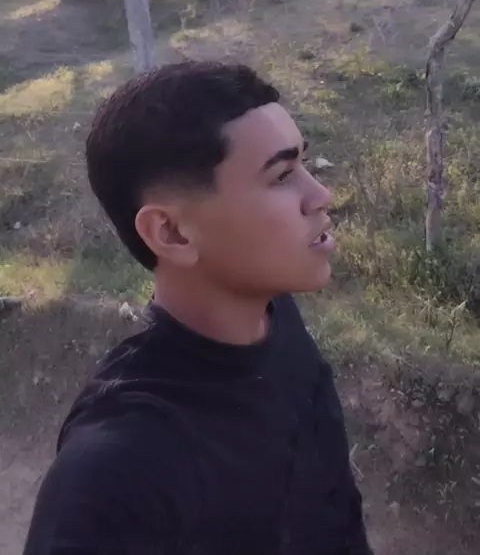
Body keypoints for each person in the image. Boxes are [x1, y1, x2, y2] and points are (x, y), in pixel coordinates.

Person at [24, 60, 372, 555]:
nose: (320, 195)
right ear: (172, 232)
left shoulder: (276, 318)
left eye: (305, 164)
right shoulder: (117, 471)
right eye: (281, 176)